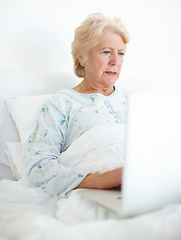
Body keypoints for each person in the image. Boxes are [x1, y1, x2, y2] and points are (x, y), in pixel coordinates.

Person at [23, 12, 130, 198]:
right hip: (99, 192)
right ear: (83, 57)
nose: (115, 61)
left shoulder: (134, 101)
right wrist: (101, 180)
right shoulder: (60, 104)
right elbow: (38, 165)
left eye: (120, 53)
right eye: (106, 52)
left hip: (145, 184)